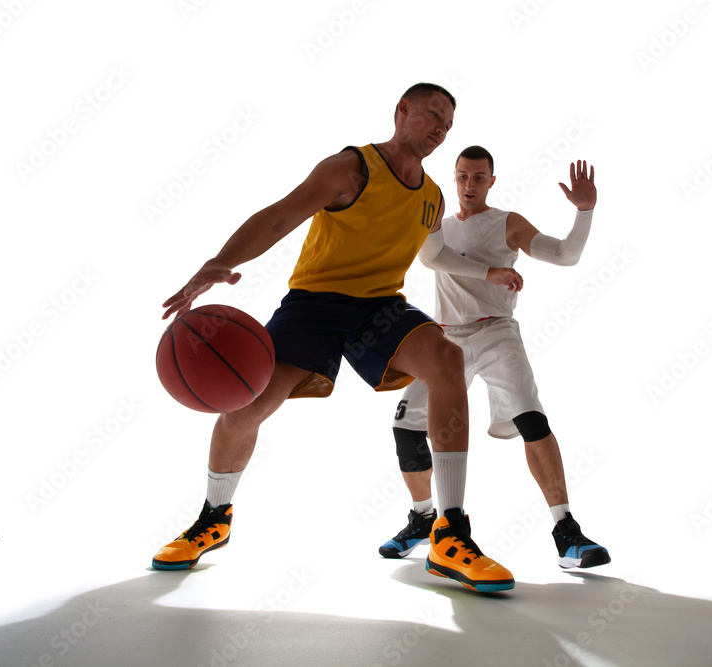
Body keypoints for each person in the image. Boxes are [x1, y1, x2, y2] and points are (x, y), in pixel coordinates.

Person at [152, 84, 524, 594]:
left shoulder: (434, 196)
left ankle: (449, 533)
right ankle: (214, 518)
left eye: (448, 124)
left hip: (380, 306)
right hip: (314, 305)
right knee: (245, 408)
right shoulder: (351, 168)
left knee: (445, 358)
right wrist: (221, 262)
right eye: (433, 114)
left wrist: (490, 273)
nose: (440, 128)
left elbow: (436, 256)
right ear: (402, 112)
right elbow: (282, 215)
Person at [379, 146, 610, 569]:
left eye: (478, 177)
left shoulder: (507, 223)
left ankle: (566, 531)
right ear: (454, 177)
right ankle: (423, 518)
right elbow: (429, 257)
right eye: (463, 176)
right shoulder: (437, 224)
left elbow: (564, 255)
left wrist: (585, 212)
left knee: (532, 420)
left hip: (496, 331)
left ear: (491, 180)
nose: (469, 185)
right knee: (405, 427)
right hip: (444, 338)